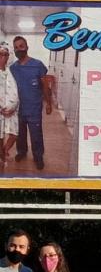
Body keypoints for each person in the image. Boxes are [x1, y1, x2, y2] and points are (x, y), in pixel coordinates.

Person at [10, 36, 52, 171]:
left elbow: (45, 86)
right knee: (20, 134)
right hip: (18, 110)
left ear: (27, 47)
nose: (18, 49)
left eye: (21, 46)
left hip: (34, 108)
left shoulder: (37, 65)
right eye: (16, 47)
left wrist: (48, 103)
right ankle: (21, 152)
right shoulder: (13, 68)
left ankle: (38, 157)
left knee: (36, 135)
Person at [0, 41, 19, 170]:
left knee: (14, 134)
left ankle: (4, 152)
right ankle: (2, 159)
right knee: (0, 136)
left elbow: (15, 91)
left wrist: (12, 108)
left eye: (6, 54)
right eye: (0, 54)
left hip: (12, 110)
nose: (3, 57)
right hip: (0, 111)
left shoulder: (10, 71)